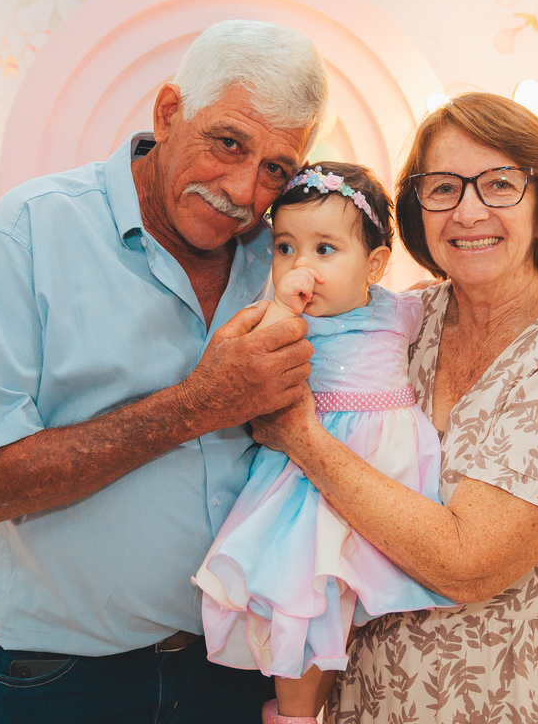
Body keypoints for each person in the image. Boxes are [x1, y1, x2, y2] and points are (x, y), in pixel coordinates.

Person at [0, 19, 329, 723]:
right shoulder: (31, 232)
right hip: (68, 683)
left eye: (275, 170)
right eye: (228, 143)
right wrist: (197, 405)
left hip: (242, 673)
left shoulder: (285, 260)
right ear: (168, 113)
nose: (242, 189)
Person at [250, 92, 538, 723]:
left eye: (500, 184)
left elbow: (467, 565)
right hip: (373, 700)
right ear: (418, 209)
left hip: (515, 702)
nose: (469, 211)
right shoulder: (405, 319)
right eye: (443, 188)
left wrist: (300, 435)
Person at [192, 162, 452, 723]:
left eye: (325, 249)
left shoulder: (401, 309)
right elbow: (256, 358)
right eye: (285, 247)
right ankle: (292, 713)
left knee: (350, 603)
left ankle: (317, 707)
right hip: (310, 479)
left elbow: (445, 306)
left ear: (374, 265)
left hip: (385, 475)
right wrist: (283, 305)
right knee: (305, 599)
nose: (301, 266)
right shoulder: (284, 318)